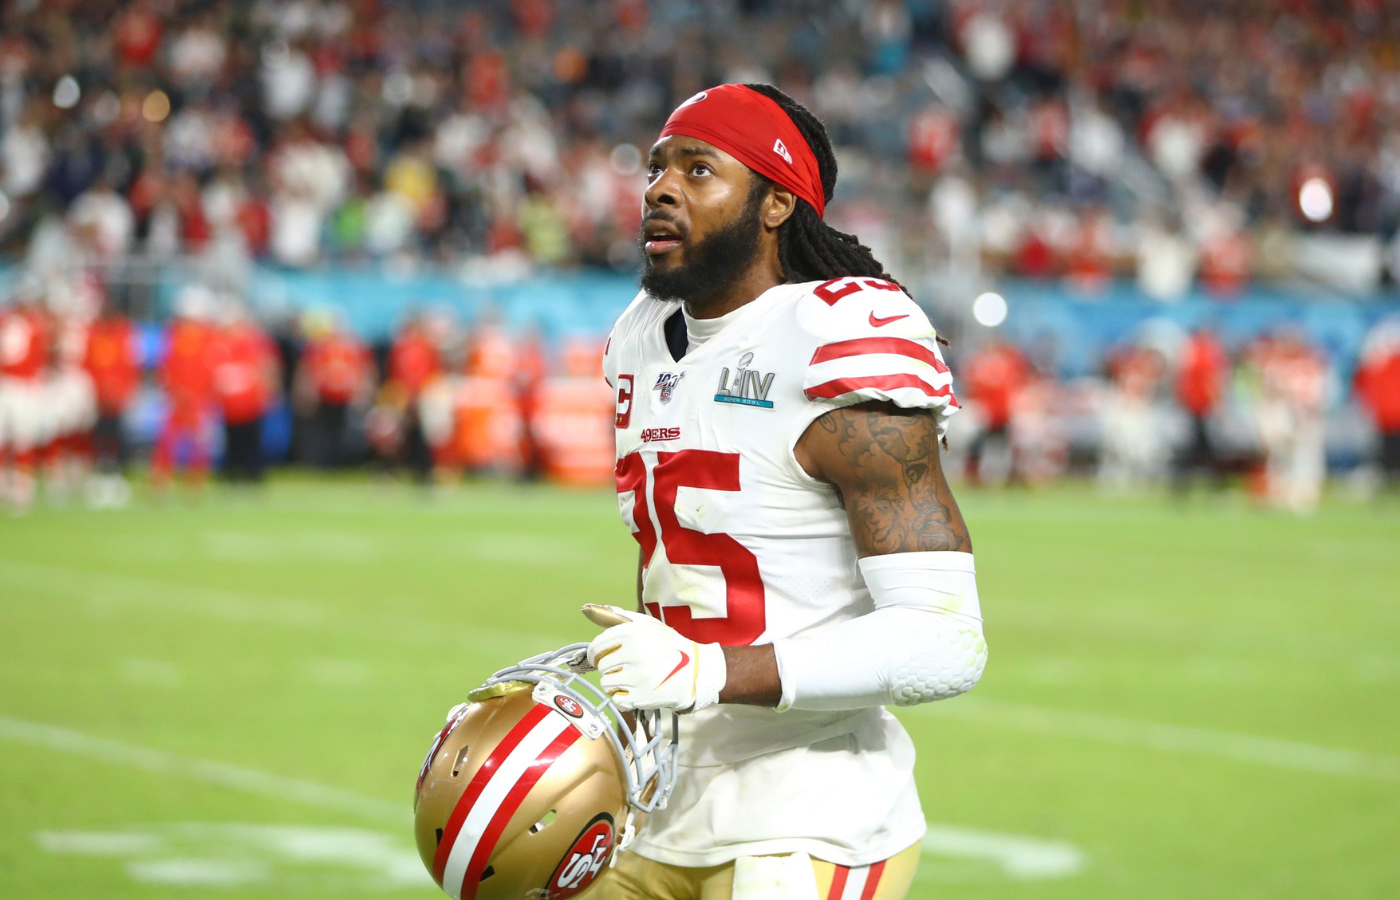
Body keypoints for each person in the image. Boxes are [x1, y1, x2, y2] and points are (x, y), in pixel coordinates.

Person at [588, 84, 985, 899]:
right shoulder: (640, 338)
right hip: (663, 798)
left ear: (775, 205)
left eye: (700, 171)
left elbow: (946, 642)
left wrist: (708, 673)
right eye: (658, 167)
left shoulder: (835, 338)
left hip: (811, 812)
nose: (660, 188)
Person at [150, 287, 217, 494]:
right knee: (168, 439)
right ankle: (161, 481)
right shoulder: (173, 333)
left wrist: (204, 393)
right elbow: (166, 366)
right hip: (176, 397)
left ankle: (195, 482)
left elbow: (210, 369)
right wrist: (172, 390)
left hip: (198, 398)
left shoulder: (207, 336)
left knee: (199, 443)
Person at [210, 302, 280, 483]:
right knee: (232, 438)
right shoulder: (219, 343)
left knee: (252, 438)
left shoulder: (254, 342)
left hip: (251, 400)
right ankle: (233, 472)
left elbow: (267, 366)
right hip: (229, 402)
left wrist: (269, 391)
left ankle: (253, 473)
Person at [83, 301, 142, 507]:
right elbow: (89, 363)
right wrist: (97, 390)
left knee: (117, 434)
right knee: (99, 435)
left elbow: (129, 365)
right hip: (98, 396)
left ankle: (117, 474)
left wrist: (122, 391)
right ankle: (99, 474)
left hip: (117, 397)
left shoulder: (124, 333)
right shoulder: (95, 333)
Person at [297, 313, 372, 468]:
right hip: (325, 395)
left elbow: (363, 370)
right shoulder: (319, 347)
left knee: (345, 430)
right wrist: (308, 391)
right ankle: (324, 462)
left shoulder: (353, 347)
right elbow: (308, 370)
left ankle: (343, 462)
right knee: (324, 430)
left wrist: (362, 391)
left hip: (345, 395)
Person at [0, 279, 50, 511]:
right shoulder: (34, 324)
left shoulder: (7, 321)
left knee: (15, 438)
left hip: (9, 383)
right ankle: (21, 487)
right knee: (22, 438)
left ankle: (14, 485)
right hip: (22, 385)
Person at [960, 336, 1029, 486]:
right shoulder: (981, 365)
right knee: (977, 446)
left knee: (1011, 445)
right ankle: (972, 475)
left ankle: (1014, 475)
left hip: (1002, 413)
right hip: (988, 414)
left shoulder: (1006, 363)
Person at [1171, 326, 1229, 494]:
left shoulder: (1189, 352)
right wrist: (1218, 405)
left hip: (1193, 406)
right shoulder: (1204, 354)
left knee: (1199, 447)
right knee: (1203, 447)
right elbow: (1211, 382)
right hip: (1201, 407)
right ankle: (1214, 486)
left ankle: (1186, 485)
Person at [1353, 319, 1400, 490]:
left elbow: (1361, 383)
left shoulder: (1377, 363)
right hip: (1386, 415)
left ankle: (1387, 479)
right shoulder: (1380, 364)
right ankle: (1387, 480)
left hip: (1385, 414)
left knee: (1387, 451)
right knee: (1386, 451)